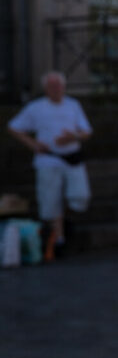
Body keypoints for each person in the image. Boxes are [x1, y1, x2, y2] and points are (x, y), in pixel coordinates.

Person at [7, 71, 92, 261]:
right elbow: (14, 127)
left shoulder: (73, 105)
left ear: (63, 87)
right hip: (48, 158)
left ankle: (64, 223)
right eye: (51, 86)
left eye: (58, 86)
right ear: (46, 89)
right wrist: (33, 144)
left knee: (80, 196)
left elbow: (86, 131)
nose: (55, 90)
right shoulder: (36, 107)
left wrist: (73, 136)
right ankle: (58, 239)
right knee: (50, 202)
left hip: (72, 157)